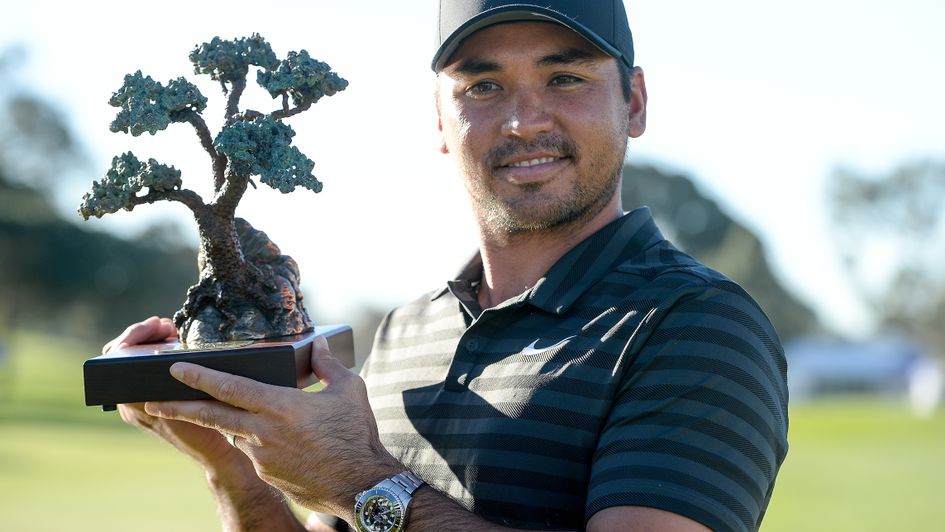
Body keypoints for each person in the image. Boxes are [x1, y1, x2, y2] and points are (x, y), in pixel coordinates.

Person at [109, 1, 788, 531]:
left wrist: (362, 482)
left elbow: (364, 491)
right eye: (483, 85)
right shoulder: (407, 331)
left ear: (633, 102)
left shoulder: (697, 326)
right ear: (439, 117)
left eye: (564, 77)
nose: (522, 120)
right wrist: (234, 465)